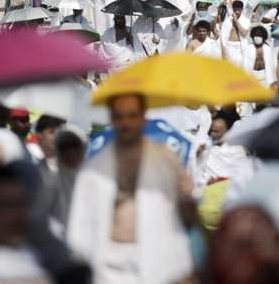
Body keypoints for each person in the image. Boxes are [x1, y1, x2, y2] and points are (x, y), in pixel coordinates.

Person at [67, 93, 194, 283]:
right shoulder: (94, 167)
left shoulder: (167, 160)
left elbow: (182, 217)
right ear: (112, 119)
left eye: (132, 115)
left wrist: (186, 197)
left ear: (143, 117)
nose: (126, 123)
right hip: (108, 264)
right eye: (119, 116)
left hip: (156, 260)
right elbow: (81, 220)